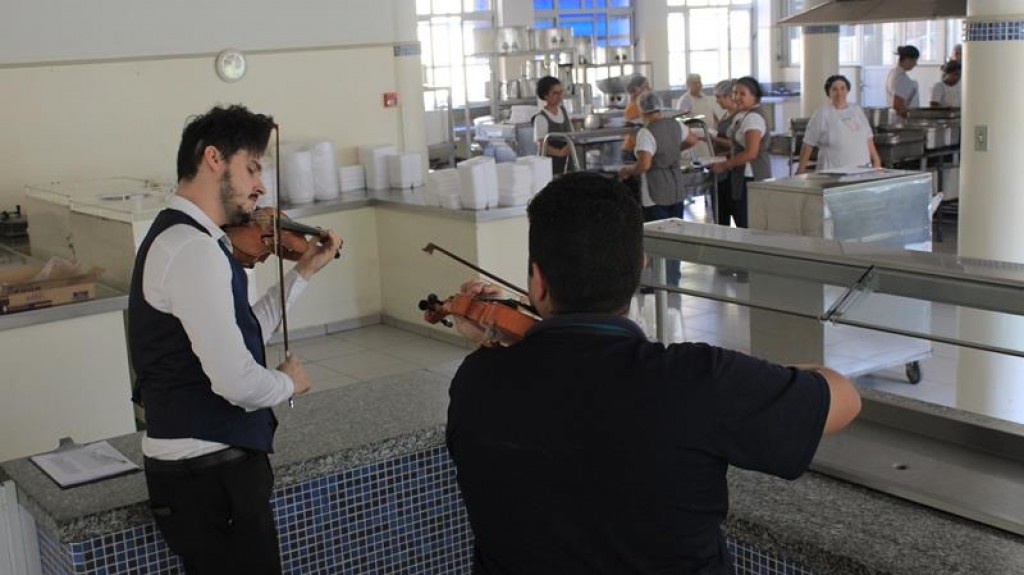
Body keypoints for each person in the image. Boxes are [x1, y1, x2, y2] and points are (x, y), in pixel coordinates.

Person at [446, 171, 862, 575]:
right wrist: (746, 375)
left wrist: (523, 343)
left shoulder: (475, 383)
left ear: (537, 282)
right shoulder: (697, 381)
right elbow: (843, 397)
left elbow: (560, 395)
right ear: (640, 269)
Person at [129, 104, 343, 574]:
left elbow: (244, 331)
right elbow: (237, 382)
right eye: (251, 168)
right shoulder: (192, 250)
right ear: (213, 159)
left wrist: (304, 271)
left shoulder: (192, 241)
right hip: (208, 474)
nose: (260, 186)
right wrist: (289, 384)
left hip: (203, 472)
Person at [617, 92, 699, 287]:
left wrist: (629, 171)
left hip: (655, 188)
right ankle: (672, 279)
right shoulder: (675, 124)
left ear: (642, 110)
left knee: (656, 236)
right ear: (660, 107)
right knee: (674, 235)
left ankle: (659, 282)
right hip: (676, 184)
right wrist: (672, 151)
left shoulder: (647, 132)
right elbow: (693, 139)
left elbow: (644, 165)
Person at [709, 76, 771, 229]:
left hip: (751, 174)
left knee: (746, 221)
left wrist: (724, 165)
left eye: (742, 94)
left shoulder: (754, 118)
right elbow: (737, 146)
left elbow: (750, 153)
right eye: (735, 93)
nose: (737, 98)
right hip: (740, 173)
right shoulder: (743, 114)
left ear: (754, 95)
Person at [797, 74, 882, 174]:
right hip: (832, 173)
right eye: (834, 89)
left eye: (842, 88)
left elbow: (868, 139)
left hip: (862, 170)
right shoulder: (822, 114)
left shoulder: (856, 110)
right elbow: (808, 144)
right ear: (829, 93)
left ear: (847, 90)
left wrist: (876, 161)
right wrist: (800, 171)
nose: (839, 93)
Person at [533, 76, 574, 176]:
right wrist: (559, 152)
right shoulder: (541, 118)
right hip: (551, 165)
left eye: (560, 93)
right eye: (555, 93)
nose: (559, 96)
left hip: (567, 161)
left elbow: (572, 134)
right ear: (545, 95)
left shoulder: (563, 112)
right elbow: (542, 144)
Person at [620, 74, 650, 163]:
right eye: (646, 87)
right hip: (632, 150)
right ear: (637, 89)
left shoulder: (641, 105)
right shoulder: (633, 107)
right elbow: (635, 131)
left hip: (637, 148)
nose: (649, 89)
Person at [886, 45, 921, 121]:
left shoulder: (893, 72)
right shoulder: (901, 78)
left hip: (894, 119)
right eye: (914, 61)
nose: (915, 64)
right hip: (900, 121)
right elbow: (897, 105)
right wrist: (911, 117)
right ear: (908, 60)